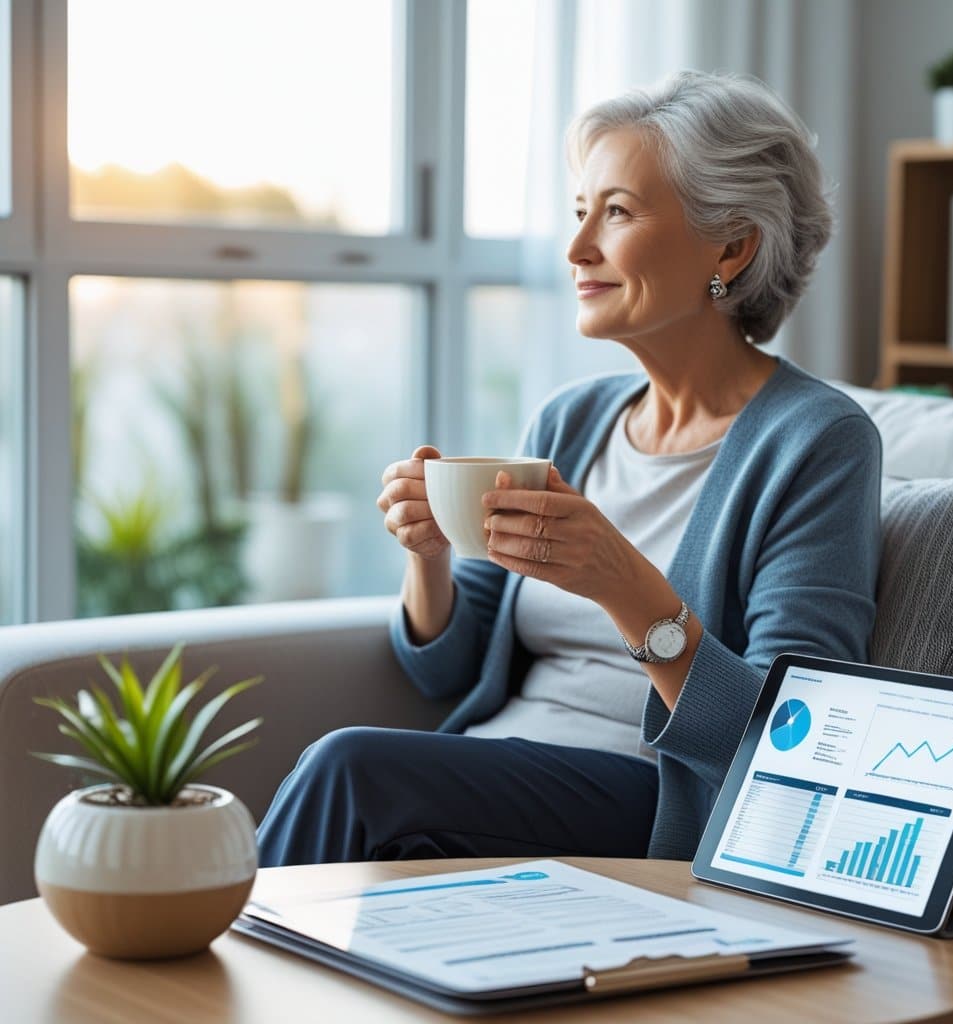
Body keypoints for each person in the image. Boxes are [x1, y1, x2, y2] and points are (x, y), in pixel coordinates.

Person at [257, 70, 882, 867]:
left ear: (732, 243)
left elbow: (791, 736)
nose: (577, 247)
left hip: (655, 799)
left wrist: (624, 584)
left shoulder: (818, 441)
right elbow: (442, 667)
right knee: (350, 777)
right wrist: (429, 557)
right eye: (581, 210)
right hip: (501, 770)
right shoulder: (573, 418)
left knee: (350, 769)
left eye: (616, 212)